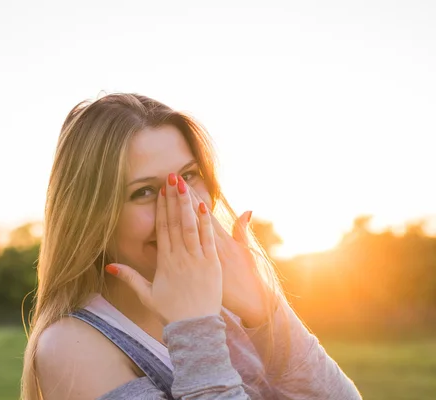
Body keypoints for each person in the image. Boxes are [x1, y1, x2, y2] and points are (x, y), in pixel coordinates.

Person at [21, 93, 362, 399]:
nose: (182, 206)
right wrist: (195, 328)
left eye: (188, 176)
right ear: (91, 217)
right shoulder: (71, 348)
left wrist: (265, 312)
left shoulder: (229, 309)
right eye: (144, 192)